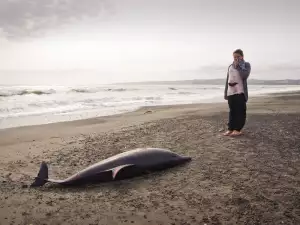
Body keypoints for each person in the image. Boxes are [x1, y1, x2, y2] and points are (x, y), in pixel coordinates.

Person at [223, 49, 251, 137]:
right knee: (232, 111)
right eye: (234, 57)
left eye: (237, 57)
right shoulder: (230, 66)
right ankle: (230, 128)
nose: (235, 58)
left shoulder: (246, 65)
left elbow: (244, 76)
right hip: (231, 92)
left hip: (240, 91)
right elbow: (228, 80)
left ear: (242, 57)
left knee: (240, 111)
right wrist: (225, 93)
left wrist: (238, 66)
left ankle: (237, 129)